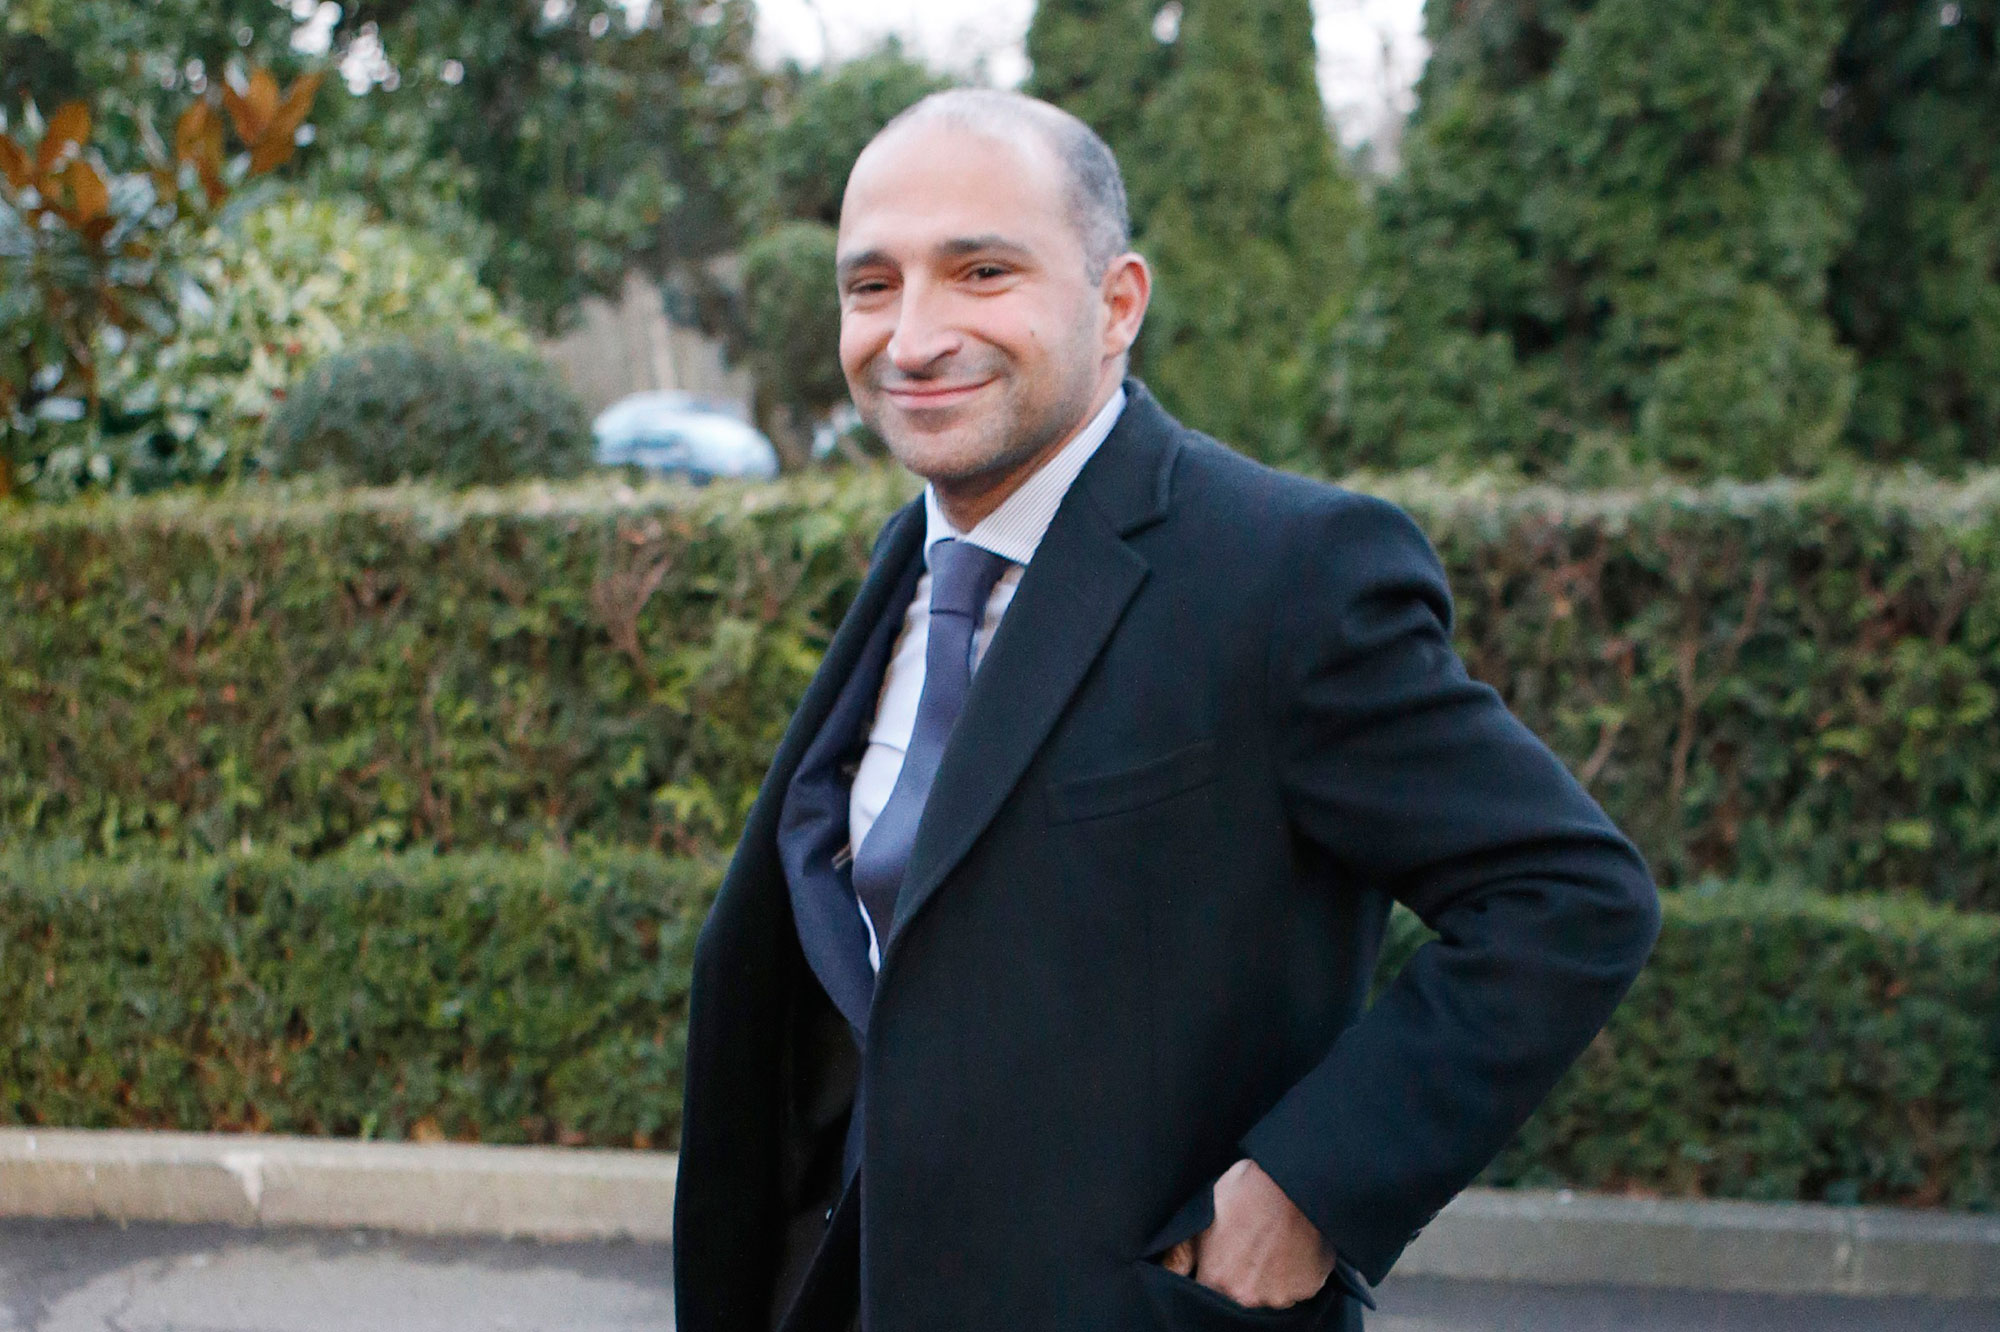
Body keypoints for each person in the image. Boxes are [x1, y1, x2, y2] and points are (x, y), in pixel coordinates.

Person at [672, 89, 1660, 1332]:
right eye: (871, 286)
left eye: (981, 272)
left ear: (1118, 302)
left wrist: (1308, 1187)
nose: (912, 337)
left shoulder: (1287, 570)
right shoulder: (904, 565)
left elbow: (1567, 896)